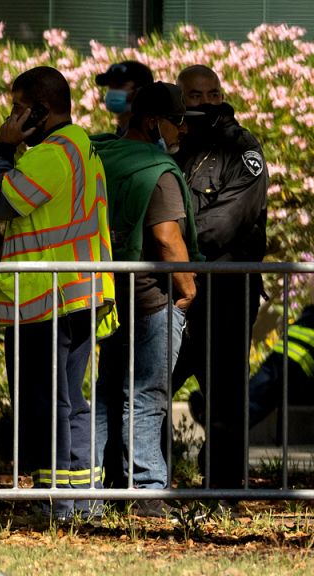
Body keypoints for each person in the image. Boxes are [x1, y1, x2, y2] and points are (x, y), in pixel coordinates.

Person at [0, 66, 116, 523]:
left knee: (48, 401)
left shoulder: (50, 155)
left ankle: (55, 501)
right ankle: (80, 498)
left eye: (19, 109)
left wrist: (2, 148)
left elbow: (3, 202)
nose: (12, 117)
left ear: (40, 110)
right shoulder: (82, 146)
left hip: (47, 296)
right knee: (71, 399)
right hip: (78, 292)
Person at [93, 82, 200, 517]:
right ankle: (147, 489)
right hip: (152, 299)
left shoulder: (103, 155)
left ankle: (92, 486)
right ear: (155, 122)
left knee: (106, 393)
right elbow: (167, 237)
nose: (182, 133)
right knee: (147, 395)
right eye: (177, 123)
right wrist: (188, 290)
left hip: (108, 296)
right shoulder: (157, 170)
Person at [171, 64, 269, 493]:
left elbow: (225, 223)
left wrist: (168, 239)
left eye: (213, 94)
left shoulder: (242, 149)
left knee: (225, 399)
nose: (206, 103)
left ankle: (223, 492)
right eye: (195, 96)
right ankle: (147, 486)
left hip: (226, 292)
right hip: (174, 289)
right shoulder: (171, 143)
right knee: (151, 390)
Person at [95, 60, 154, 136]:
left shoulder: (151, 134)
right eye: (110, 86)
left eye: (119, 85)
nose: (111, 92)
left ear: (139, 90)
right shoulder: (122, 131)